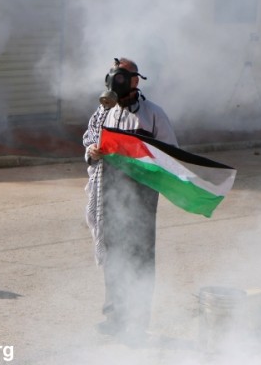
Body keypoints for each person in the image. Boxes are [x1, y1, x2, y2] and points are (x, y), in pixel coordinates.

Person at [82, 57, 177, 342]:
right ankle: (114, 317)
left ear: (135, 81)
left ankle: (137, 322)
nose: (117, 83)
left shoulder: (153, 114)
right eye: (114, 77)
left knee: (140, 259)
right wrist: (93, 151)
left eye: (124, 77)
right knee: (114, 256)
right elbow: (89, 139)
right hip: (110, 194)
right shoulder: (103, 113)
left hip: (142, 195)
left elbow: (171, 152)